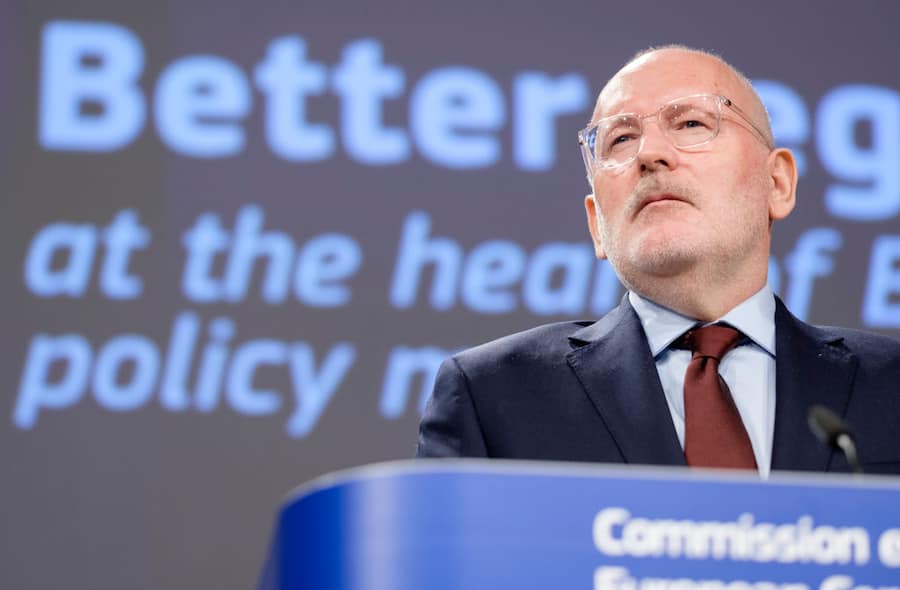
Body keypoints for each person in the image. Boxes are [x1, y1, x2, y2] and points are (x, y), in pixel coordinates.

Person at [415, 45, 900, 476]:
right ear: (596, 225)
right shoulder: (494, 396)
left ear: (778, 183)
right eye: (620, 140)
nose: (649, 154)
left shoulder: (891, 385)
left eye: (690, 123)